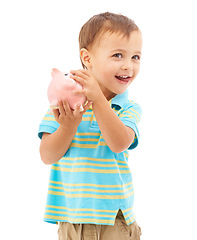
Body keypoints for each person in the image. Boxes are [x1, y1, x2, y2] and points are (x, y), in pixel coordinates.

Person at [38, 12, 142, 240]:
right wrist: (67, 127)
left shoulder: (127, 108)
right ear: (87, 58)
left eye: (135, 57)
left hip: (114, 218)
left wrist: (98, 100)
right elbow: (47, 155)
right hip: (71, 218)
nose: (128, 66)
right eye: (118, 55)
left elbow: (119, 143)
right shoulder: (64, 103)